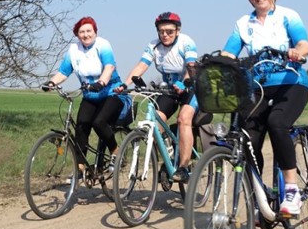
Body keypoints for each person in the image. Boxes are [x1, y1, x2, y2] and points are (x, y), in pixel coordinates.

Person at [221, 0, 308, 216]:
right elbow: (230, 52)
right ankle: (259, 197)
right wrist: (219, 62)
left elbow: (304, 43)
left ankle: (291, 190)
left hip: (290, 83)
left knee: (276, 122)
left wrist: (297, 52)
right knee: (247, 139)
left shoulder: (287, 16)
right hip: (258, 88)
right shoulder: (242, 23)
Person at [42, 16, 131, 180]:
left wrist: (102, 82)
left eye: (89, 31)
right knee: (81, 127)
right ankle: (80, 168)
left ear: (95, 32)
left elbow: (109, 66)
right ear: (77, 35)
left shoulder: (103, 45)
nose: (85, 34)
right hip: (90, 95)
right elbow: (63, 72)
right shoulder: (74, 50)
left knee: (99, 122)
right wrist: (51, 83)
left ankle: (116, 152)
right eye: (81, 32)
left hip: (111, 92)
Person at [115, 12, 198, 183]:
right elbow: (141, 65)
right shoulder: (154, 46)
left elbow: (192, 68)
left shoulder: (186, 42)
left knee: (184, 119)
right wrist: (125, 84)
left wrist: (184, 83)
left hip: (190, 87)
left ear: (178, 30)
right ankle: (169, 157)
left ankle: (183, 167)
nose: (165, 35)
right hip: (168, 89)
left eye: (169, 31)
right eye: (161, 32)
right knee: (156, 123)